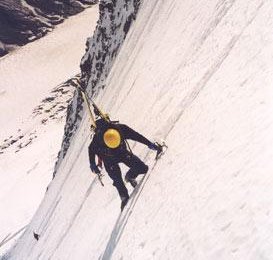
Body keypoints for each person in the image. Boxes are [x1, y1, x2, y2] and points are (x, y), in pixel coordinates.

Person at [88, 116, 161, 210]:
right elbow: (91, 150)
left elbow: (136, 136)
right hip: (110, 160)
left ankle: (130, 176)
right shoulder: (97, 140)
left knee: (143, 168)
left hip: (121, 153)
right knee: (117, 180)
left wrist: (149, 144)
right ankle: (124, 197)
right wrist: (92, 164)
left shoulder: (121, 129)